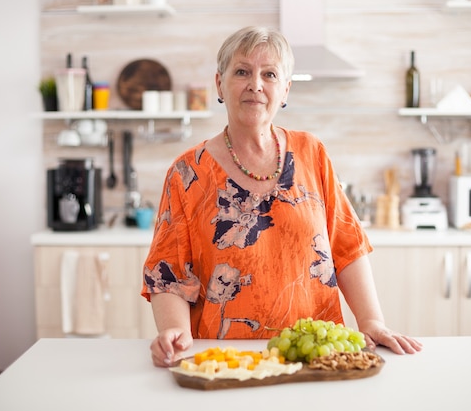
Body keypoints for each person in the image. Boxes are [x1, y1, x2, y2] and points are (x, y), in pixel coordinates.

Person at [142, 26, 422, 367]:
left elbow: (346, 246)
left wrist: (372, 321)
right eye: (242, 71)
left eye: (269, 74)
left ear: (285, 89)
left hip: (318, 354)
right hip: (226, 361)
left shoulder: (312, 152)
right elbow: (168, 274)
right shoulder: (187, 172)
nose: (255, 85)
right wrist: (175, 332)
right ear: (219, 83)